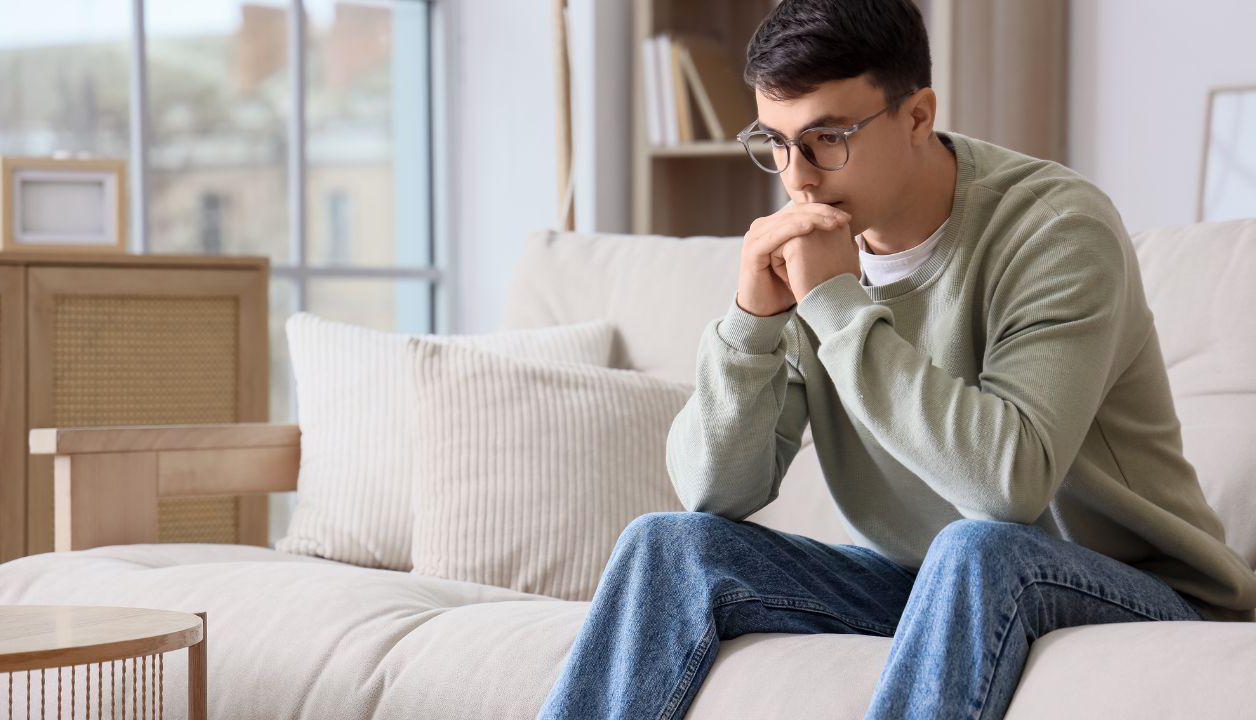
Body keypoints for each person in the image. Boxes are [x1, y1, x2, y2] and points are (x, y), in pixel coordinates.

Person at [537, 0, 1256, 717]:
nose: (798, 178)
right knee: (668, 546)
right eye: (776, 142)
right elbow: (714, 493)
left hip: (1143, 591)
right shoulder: (812, 253)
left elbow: (1007, 488)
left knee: (975, 550)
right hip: (921, 582)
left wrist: (838, 307)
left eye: (826, 138)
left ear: (918, 116)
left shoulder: (1057, 229)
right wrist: (751, 324)